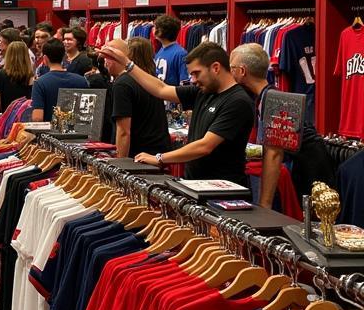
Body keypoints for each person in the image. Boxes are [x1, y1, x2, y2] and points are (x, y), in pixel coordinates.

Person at [100, 40, 255, 185]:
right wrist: (127, 64)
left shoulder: (237, 101)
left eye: (196, 73)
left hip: (223, 189)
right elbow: (161, 89)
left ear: (215, 68)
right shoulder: (204, 91)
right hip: (197, 184)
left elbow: (205, 146)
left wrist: (159, 158)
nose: (193, 80)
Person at [229, 43, 335, 207]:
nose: (230, 72)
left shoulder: (275, 101)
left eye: (232, 67)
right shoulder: (265, 97)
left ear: (242, 71)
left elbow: (275, 154)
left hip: (310, 174)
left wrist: (265, 205)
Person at [103, 37, 170, 159]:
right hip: (157, 154)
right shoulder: (152, 80)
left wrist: (119, 167)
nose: (105, 61)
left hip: (138, 157)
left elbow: (124, 132)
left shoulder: (123, 83)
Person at [30, 38, 88, 122]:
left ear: (45, 58)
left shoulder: (40, 83)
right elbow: (86, 115)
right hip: (77, 133)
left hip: (48, 133)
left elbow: (37, 118)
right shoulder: (81, 80)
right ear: (64, 56)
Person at [0, 40, 35, 109]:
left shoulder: (0, 75)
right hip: (25, 117)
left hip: (7, 117)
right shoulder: (31, 76)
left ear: (8, 55)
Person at [153, 14, 189, 85]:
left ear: (161, 31)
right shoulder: (161, 50)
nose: (153, 30)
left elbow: (184, 83)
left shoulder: (181, 54)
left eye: (156, 28)